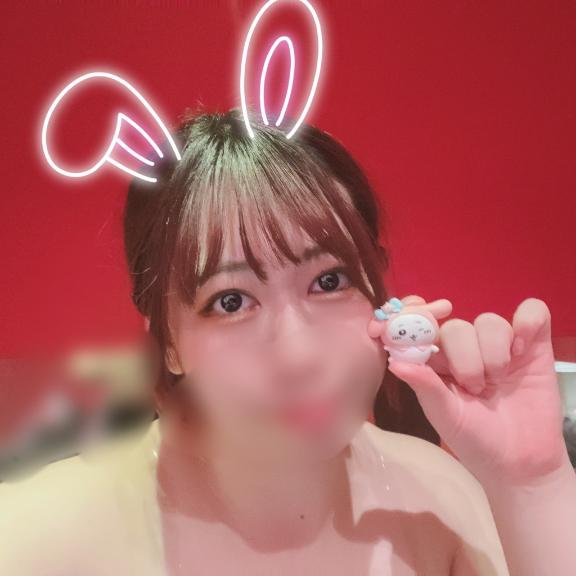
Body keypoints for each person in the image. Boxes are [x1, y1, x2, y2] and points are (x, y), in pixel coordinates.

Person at [0, 108, 574, 575]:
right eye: (230, 301)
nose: (299, 356)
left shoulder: (440, 505)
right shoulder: (33, 539)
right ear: (167, 340)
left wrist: (532, 485)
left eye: (330, 281)